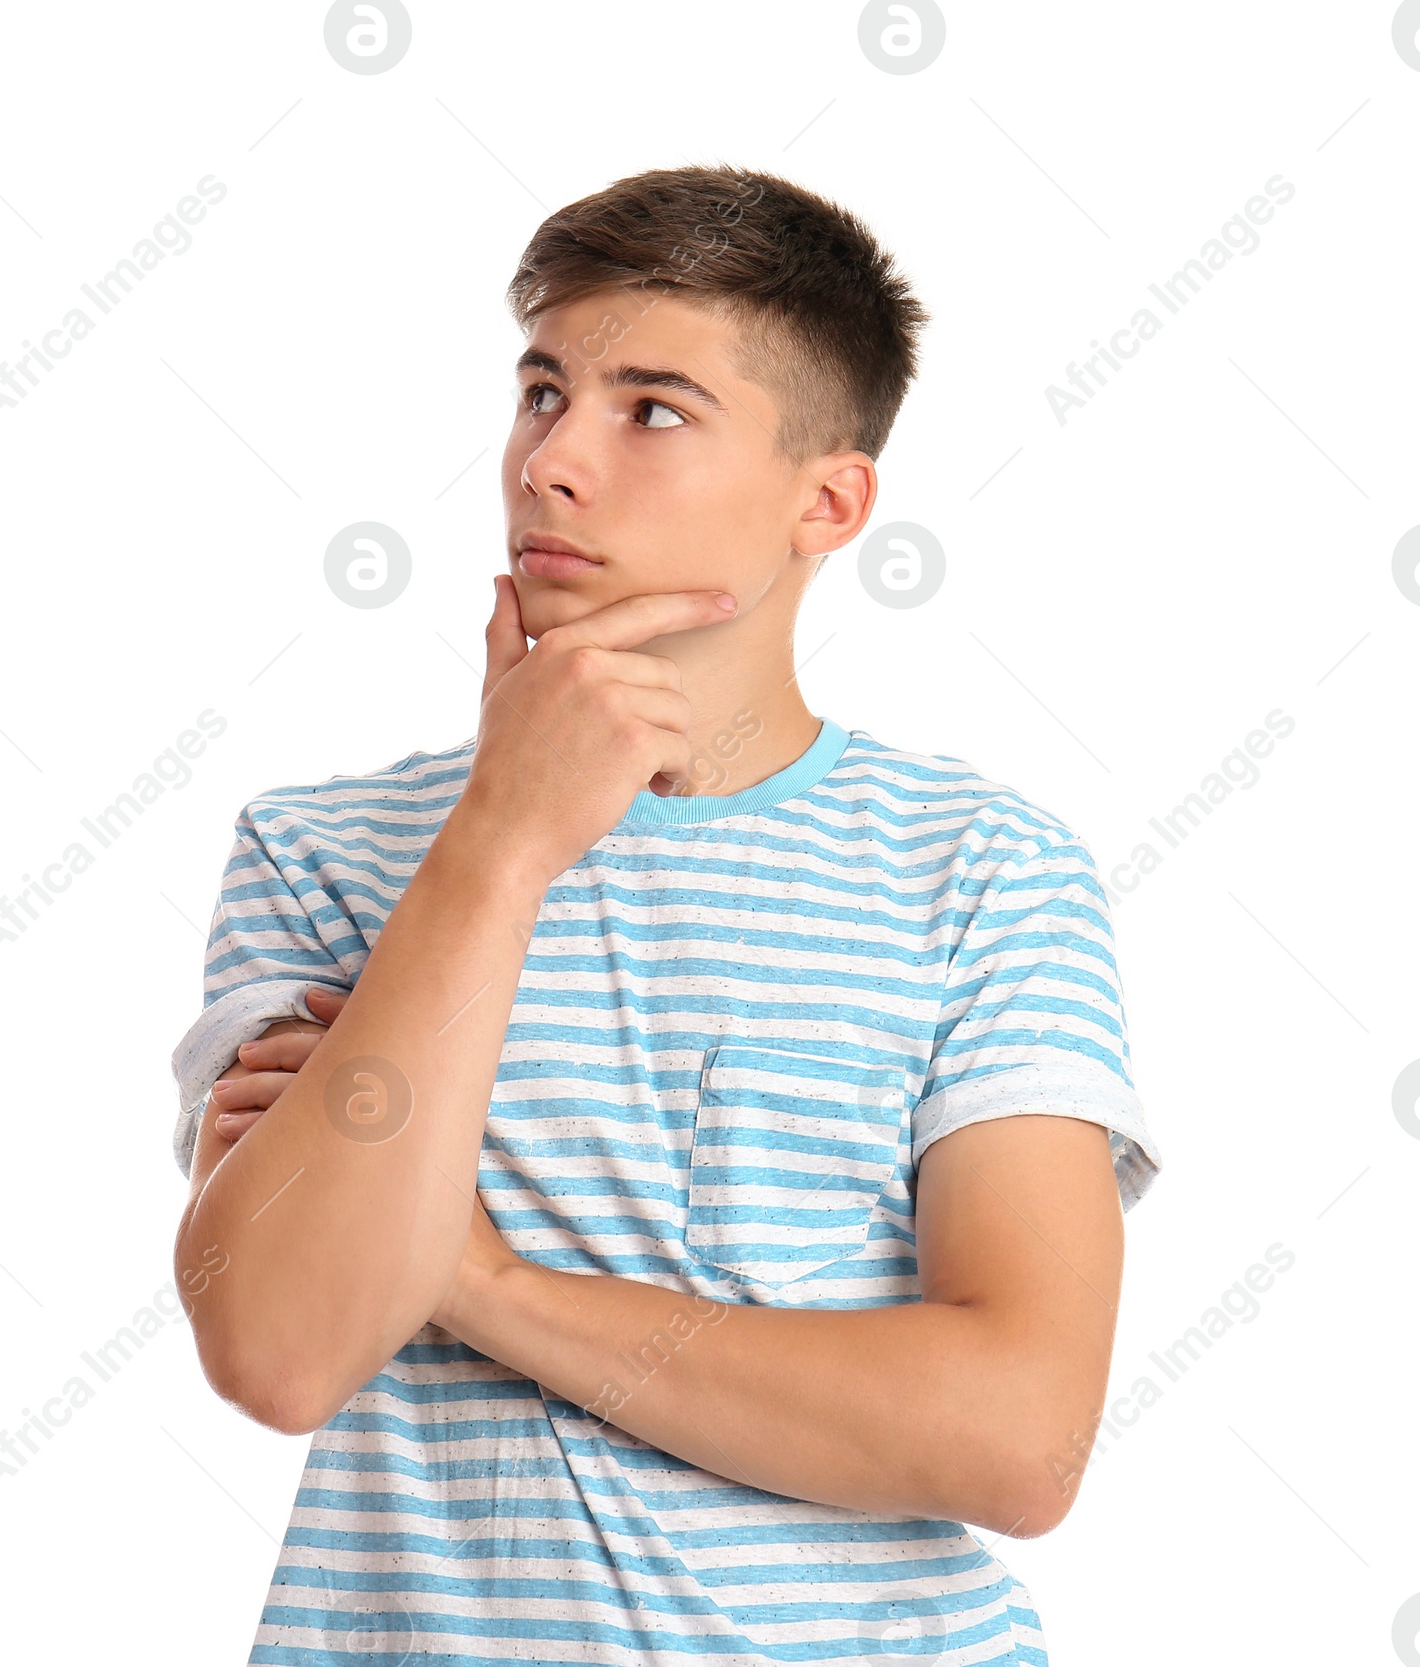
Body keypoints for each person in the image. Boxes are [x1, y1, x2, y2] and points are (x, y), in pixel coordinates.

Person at [170, 162, 1163, 1666]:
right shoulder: (325, 853)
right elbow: (287, 1347)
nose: (550, 464)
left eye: (652, 411)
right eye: (541, 392)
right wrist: (498, 842)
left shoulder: (984, 870)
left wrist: (475, 1279)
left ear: (828, 503)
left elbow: (1017, 1437)